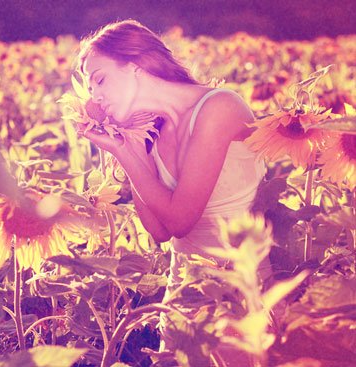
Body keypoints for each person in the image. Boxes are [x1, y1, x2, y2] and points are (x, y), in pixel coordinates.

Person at [76, 19, 270, 364]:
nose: (95, 97)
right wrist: (129, 146)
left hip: (239, 293)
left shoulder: (220, 107)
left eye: (99, 79)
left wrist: (121, 151)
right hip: (182, 293)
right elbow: (160, 231)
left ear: (134, 67)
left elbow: (180, 219)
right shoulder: (151, 134)